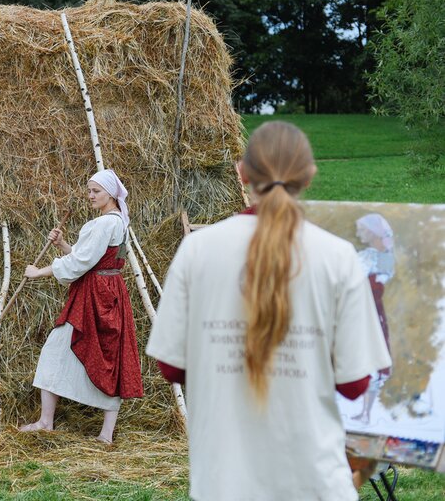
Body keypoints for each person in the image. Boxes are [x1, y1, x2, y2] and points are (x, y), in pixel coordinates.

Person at [146, 121, 391, 500]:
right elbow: (355, 383)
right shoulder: (338, 257)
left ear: (242, 173)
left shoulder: (198, 250)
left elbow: (172, 367)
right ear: (309, 176)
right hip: (313, 483)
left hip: (223, 483)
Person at [19, 169, 144, 444]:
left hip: (95, 297)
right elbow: (90, 256)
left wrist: (38, 272)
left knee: (59, 349)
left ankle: (46, 421)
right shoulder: (117, 221)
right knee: (110, 355)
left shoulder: (103, 224)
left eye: (95, 191)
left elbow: (81, 264)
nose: (90, 196)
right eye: (88, 191)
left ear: (110, 194)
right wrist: (64, 244)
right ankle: (103, 433)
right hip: (110, 292)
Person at [352, 213, 395, 426]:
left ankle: (369, 413)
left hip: (371, 314)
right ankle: (365, 413)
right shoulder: (368, 255)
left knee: (372, 360)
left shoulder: (380, 257)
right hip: (363, 312)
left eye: (362, 229)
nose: (359, 233)